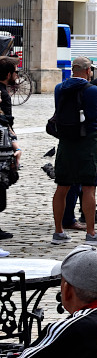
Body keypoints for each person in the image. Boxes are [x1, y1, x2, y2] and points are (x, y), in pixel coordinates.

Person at [50, 56, 97, 245]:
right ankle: (91, 232)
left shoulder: (60, 88)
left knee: (62, 186)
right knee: (89, 187)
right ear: (88, 70)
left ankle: (58, 231)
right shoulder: (94, 90)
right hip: (87, 140)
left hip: (65, 140)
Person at [0, 58, 21, 240]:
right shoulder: (3, 94)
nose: (17, 76)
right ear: (8, 75)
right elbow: (6, 123)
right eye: (15, 72)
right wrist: (15, 144)